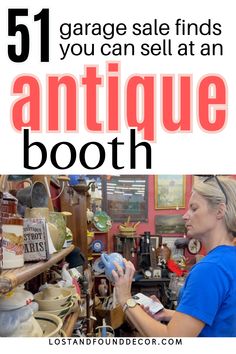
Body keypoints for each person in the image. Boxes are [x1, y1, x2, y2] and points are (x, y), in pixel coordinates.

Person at [112, 176, 236, 337]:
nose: (185, 215)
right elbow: (220, 317)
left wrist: (125, 298)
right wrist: (168, 314)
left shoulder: (210, 269)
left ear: (220, 211)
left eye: (194, 208)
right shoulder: (228, 259)